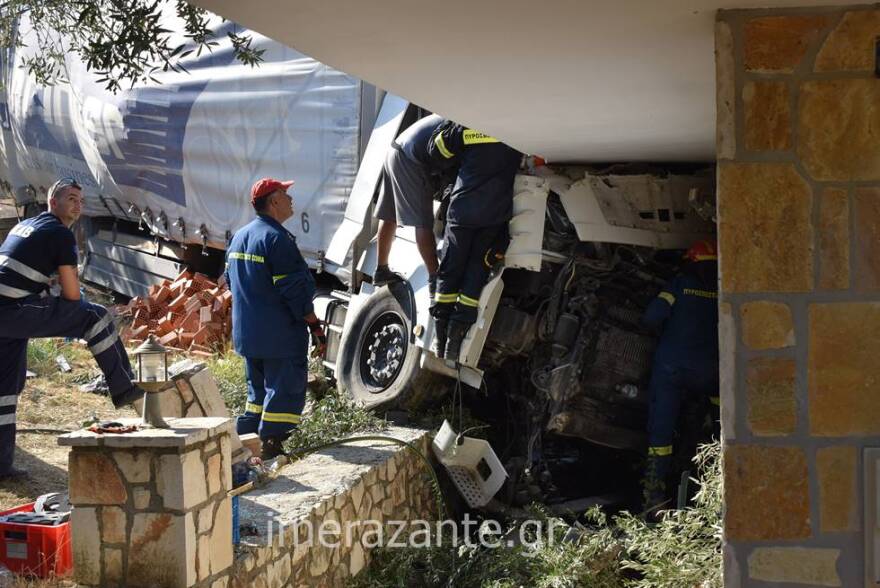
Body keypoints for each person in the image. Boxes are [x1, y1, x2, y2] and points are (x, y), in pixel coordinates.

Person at [0, 177, 143, 479]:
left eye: (80, 200)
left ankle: (2, 465)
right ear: (53, 202)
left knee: (6, 389)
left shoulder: (28, 225)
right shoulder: (60, 235)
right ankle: (125, 387)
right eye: (71, 199)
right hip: (12, 310)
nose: (78, 205)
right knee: (95, 316)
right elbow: (73, 296)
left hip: (8, 311)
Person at [225, 178, 326, 460]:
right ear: (274, 201)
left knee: (256, 395)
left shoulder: (239, 237)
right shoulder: (277, 240)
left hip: (248, 335)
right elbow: (295, 292)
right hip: (279, 337)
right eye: (285, 193)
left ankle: (246, 444)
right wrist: (316, 328)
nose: (291, 198)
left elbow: (230, 283)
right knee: (284, 390)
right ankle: (271, 446)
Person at [426, 124, 522, 361]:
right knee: (476, 272)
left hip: (463, 212)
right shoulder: (519, 129)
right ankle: (454, 341)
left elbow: (436, 153)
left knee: (450, 272)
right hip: (493, 214)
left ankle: (441, 339)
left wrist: (455, 127)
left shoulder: (469, 124)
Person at [641, 239, 720, 512]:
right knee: (722, 424)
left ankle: (653, 495)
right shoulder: (726, 288)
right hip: (711, 375)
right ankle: (720, 483)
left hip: (671, 371)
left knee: (660, 432)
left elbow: (652, 317)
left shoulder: (679, 283)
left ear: (692, 260)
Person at [373, 113, 458, 295]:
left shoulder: (452, 112)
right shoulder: (463, 124)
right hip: (412, 160)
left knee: (389, 214)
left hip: (397, 150)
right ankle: (436, 279)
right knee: (424, 222)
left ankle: (381, 269)